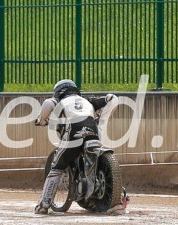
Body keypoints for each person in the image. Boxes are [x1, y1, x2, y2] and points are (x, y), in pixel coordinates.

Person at [33, 79, 119, 214]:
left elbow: (47, 104)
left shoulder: (59, 101)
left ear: (58, 92)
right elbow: (112, 99)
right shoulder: (87, 101)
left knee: (56, 168)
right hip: (94, 133)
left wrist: (41, 120)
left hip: (73, 136)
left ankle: (43, 205)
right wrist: (102, 121)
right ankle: (116, 201)